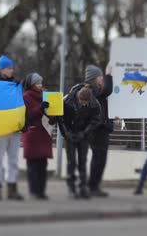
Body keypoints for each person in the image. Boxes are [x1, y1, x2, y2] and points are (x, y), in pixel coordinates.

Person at [76, 65, 113, 197]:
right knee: (99, 157)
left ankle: (92, 185)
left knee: (98, 157)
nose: (102, 79)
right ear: (93, 79)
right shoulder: (91, 89)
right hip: (97, 129)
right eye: (100, 76)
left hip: (99, 127)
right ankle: (93, 186)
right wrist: (109, 75)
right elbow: (107, 90)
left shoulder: (94, 90)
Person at [0, 55, 24, 201]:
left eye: (11, 67)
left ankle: (12, 188)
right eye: (9, 68)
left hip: (14, 128)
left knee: (13, 159)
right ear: (1, 69)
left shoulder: (16, 85)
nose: (11, 70)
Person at [59, 84, 101, 199]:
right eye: (83, 103)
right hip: (70, 134)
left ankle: (82, 187)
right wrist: (66, 134)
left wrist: (85, 133)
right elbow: (61, 119)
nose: (85, 105)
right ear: (78, 98)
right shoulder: (66, 101)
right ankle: (71, 188)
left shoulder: (94, 103)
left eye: (86, 103)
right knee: (71, 161)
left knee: (82, 161)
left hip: (84, 135)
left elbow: (96, 120)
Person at [22, 72, 54, 200]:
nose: (40, 85)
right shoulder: (26, 97)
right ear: (31, 84)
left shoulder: (45, 96)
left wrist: (55, 116)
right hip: (33, 134)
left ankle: (41, 191)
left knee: (42, 164)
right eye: (37, 83)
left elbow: (50, 114)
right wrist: (40, 108)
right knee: (33, 165)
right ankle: (34, 191)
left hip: (44, 134)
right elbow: (28, 115)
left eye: (41, 82)